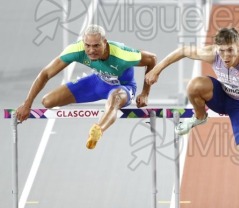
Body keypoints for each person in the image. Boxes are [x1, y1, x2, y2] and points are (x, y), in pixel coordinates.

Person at [145, 27, 239, 208]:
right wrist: (157, 70)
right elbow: (181, 51)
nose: (226, 56)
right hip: (221, 97)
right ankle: (199, 117)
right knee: (195, 85)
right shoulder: (212, 53)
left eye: (230, 51)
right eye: (222, 51)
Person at [16, 24, 157, 149]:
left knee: (114, 98)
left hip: (122, 88)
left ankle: (97, 130)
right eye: (87, 45)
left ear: (105, 43)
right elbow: (45, 74)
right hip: (97, 82)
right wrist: (27, 103)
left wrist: (145, 93)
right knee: (47, 101)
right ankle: (98, 118)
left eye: (96, 46)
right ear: (83, 43)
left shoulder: (122, 55)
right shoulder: (76, 50)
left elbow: (152, 59)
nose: (91, 50)